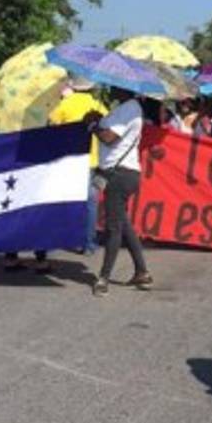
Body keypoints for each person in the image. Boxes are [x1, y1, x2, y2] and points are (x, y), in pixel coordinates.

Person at [88, 88, 152, 296]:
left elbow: (109, 138)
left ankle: (103, 279)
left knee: (113, 228)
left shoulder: (129, 108)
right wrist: (99, 120)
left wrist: (93, 125)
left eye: (114, 83)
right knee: (123, 224)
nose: (110, 86)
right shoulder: (124, 108)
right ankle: (142, 272)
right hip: (118, 173)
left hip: (120, 175)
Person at [48, 77, 108, 254]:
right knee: (91, 202)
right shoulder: (97, 105)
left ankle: (59, 240)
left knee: (63, 199)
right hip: (93, 159)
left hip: (69, 159)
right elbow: (106, 125)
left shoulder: (65, 104)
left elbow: (51, 124)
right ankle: (89, 244)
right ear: (91, 89)